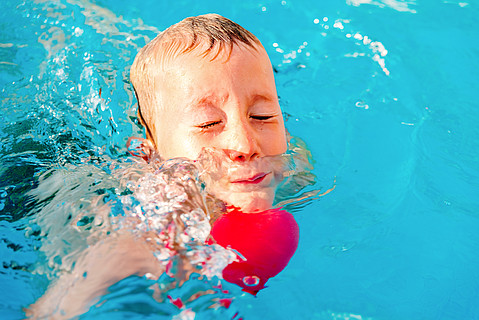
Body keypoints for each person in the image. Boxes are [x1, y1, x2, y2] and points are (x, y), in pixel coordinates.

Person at [27, 14, 298, 319]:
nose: (246, 145)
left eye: (262, 116)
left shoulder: (293, 167)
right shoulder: (144, 233)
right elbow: (50, 310)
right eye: (208, 123)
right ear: (151, 154)